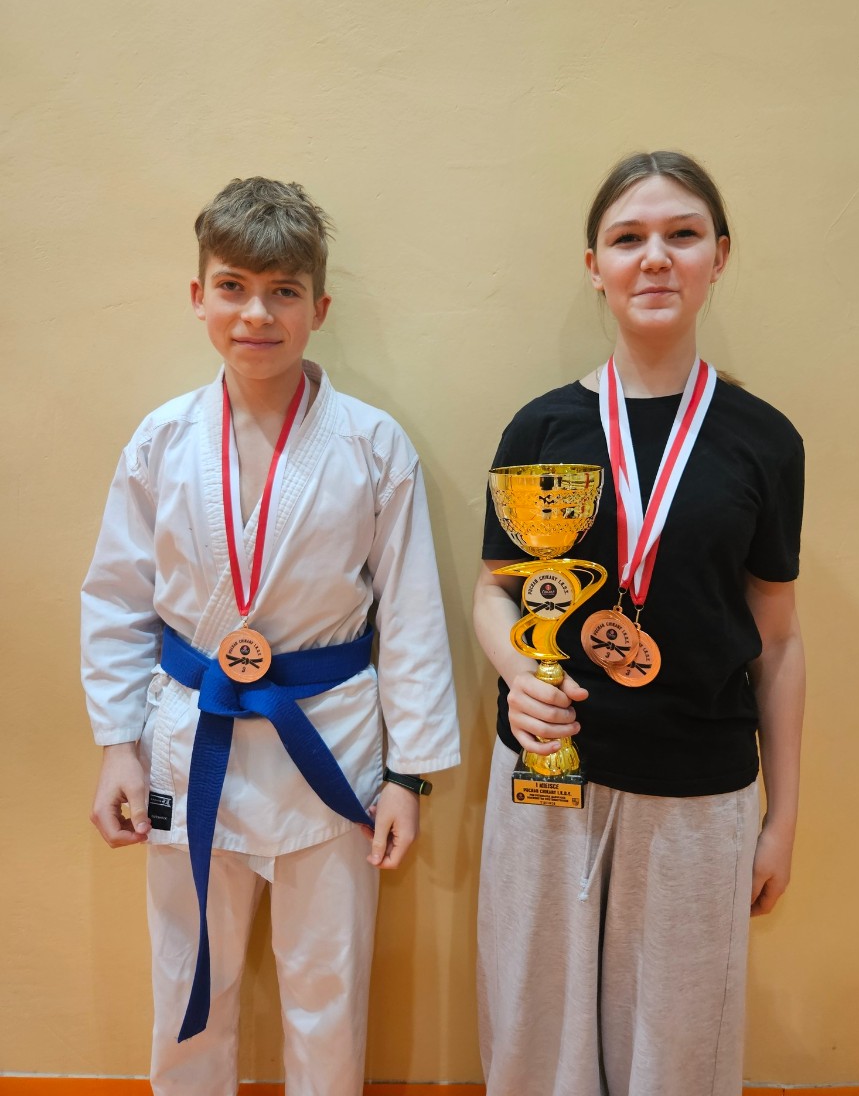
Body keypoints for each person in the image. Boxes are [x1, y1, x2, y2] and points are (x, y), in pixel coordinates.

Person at [82, 177, 460, 1096]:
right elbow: (118, 600)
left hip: (328, 745)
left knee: (329, 987)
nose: (257, 313)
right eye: (234, 287)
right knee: (187, 979)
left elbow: (410, 615)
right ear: (199, 296)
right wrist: (118, 745)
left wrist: (408, 774)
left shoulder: (373, 445)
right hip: (189, 739)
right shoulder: (161, 440)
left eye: (283, 291)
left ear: (318, 307)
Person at [474, 151, 805, 1096]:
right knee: (536, 1046)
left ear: (718, 256)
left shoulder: (764, 440)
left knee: (678, 1057)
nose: (655, 257)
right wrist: (519, 676)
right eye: (628, 238)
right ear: (596, 267)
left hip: (699, 792)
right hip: (548, 779)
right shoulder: (541, 430)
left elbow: (779, 639)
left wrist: (783, 819)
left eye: (681, 234)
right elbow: (494, 592)